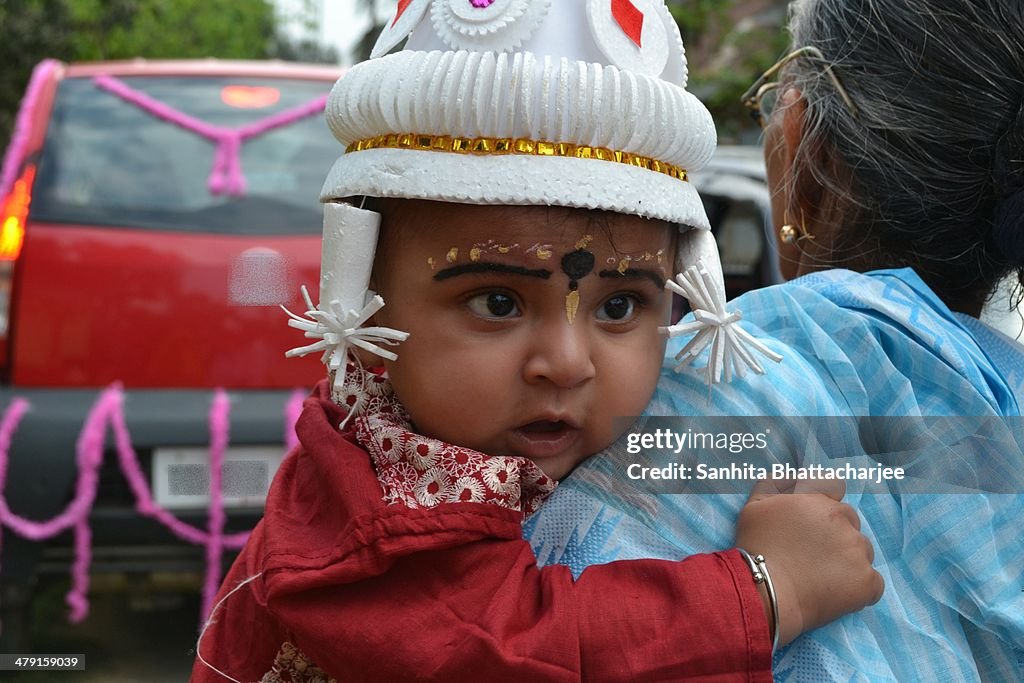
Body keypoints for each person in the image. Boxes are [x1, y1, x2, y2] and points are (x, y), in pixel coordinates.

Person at [190, 1, 883, 681]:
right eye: (497, 302)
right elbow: (506, 650)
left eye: (619, 305)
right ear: (366, 305)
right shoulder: (380, 506)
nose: (567, 362)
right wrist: (769, 587)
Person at [525, 0, 1024, 681]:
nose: (565, 360)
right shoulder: (1002, 402)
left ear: (804, 144)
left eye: (619, 305)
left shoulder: (679, 407)